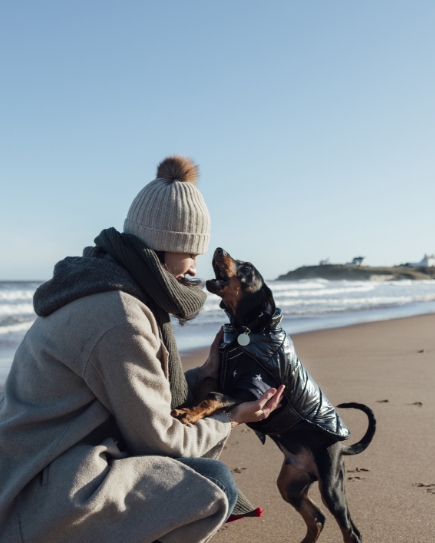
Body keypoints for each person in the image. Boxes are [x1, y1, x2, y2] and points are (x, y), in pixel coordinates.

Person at [0, 156, 284, 543]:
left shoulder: (104, 285)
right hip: (37, 494)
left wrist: (205, 375)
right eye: (191, 252)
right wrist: (232, 418)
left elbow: (135, 398)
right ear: (165, 246)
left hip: (38, 467)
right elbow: (161, 440)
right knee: (211, 483)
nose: (194, 268)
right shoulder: (121, 316)